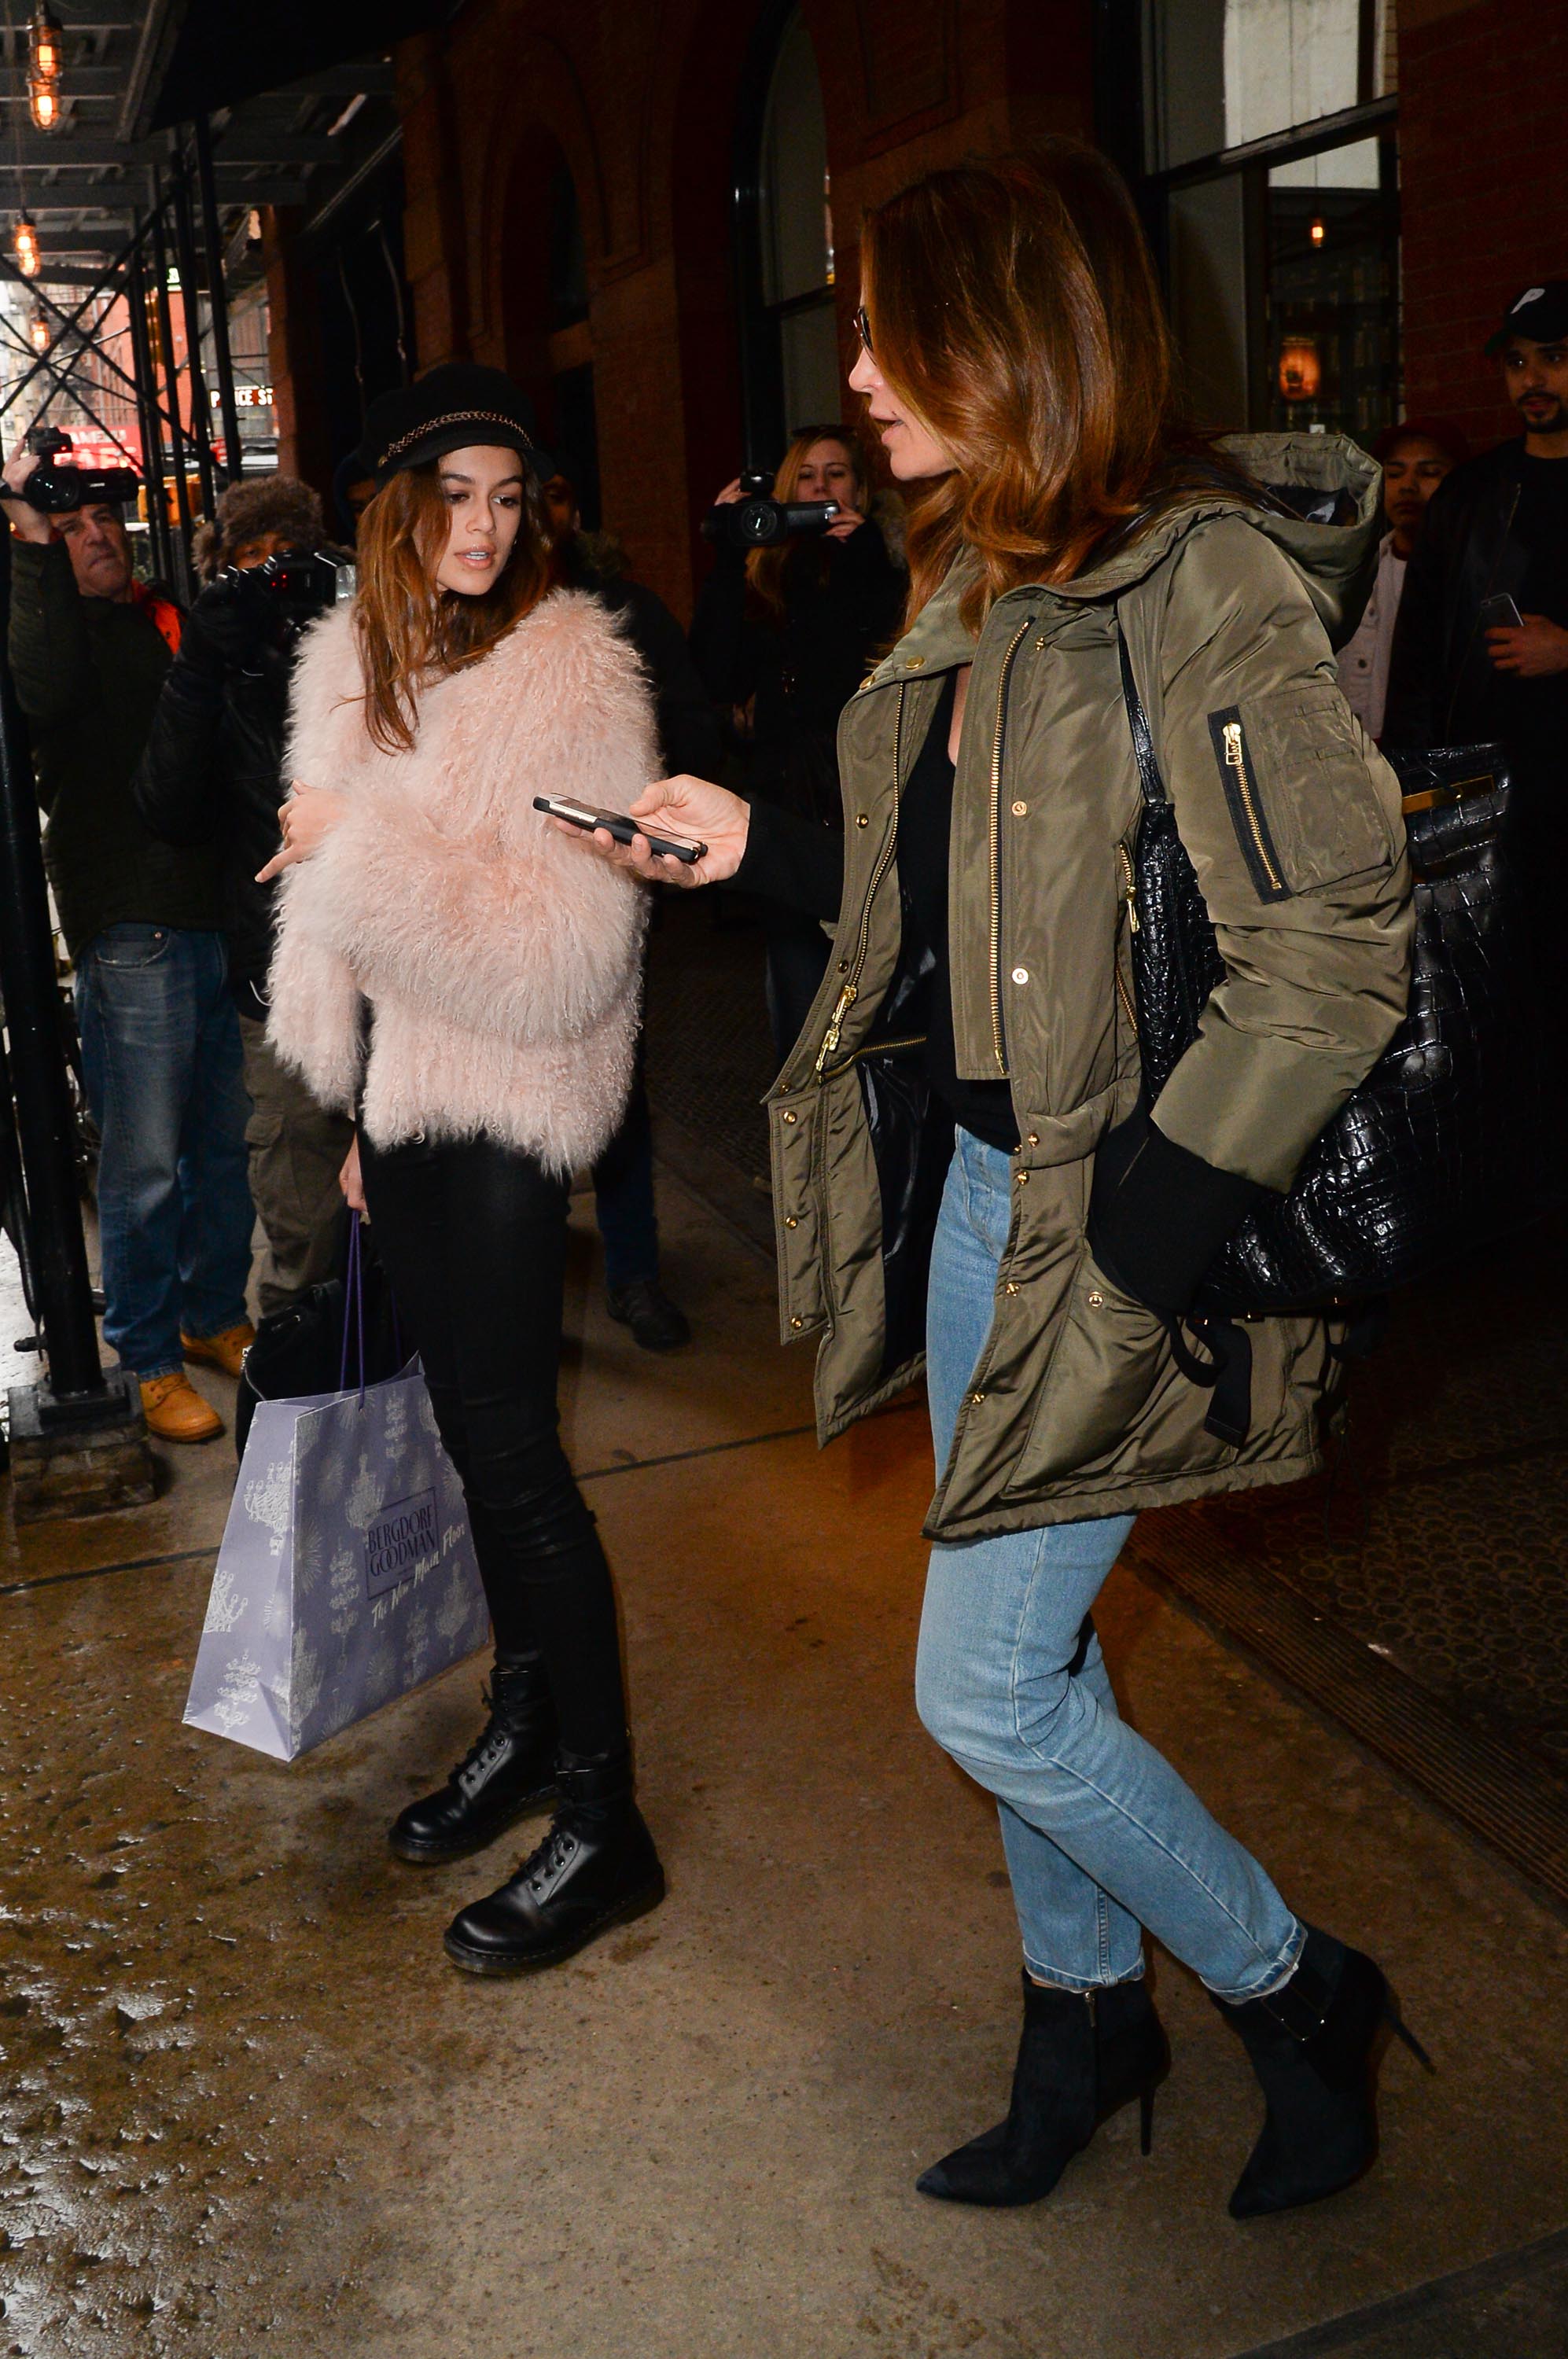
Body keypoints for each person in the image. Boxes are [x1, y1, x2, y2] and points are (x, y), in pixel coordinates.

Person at [561, 149, 1419, 2218]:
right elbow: (951, 904)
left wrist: (1145, 1228)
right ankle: (1080, 2016)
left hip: (1114, 1223)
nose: (853, 370)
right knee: (1035, 1666)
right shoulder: (977, 575)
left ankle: (1292, 1985)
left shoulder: (1197, 579)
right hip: (966, 1196)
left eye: (887, 331)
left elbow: (1337, 938)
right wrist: (746, 845)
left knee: (980, 1686)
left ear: (1009, 345)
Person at [261, 362, 664, 1974]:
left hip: (513, 1097)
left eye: (508, 497)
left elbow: (564, 955)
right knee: (467, 1438)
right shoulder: (358, 666)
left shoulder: (575, 680)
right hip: (414, 1112)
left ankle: (604, 1816)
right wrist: (361, 1115)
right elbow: (355, 944)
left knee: (515, 1463)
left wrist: (354, 849)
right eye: (454, 496)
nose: (484, 526)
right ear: (397, 511)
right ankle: (519, 1722)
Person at [3, 448, 254, 1444]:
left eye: (104, 519)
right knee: (144, 1164)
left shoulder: (163, 618)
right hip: (132, 924)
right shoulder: (54, 636)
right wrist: (30, 539)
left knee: (221, 1147)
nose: (97, 533)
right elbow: (44, 696)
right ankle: (145, 1355)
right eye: (73, 527)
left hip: (213, 914)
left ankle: (211, 1314)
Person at [134, 475, 355, 1320]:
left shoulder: (376, 638)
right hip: (281, 974)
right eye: (246, 563)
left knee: (423, 1207)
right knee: (303, 1210)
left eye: (285, 558)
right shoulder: (212, 666)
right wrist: (203, 665)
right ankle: (304, 1405)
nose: (269, 579)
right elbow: (166, 809)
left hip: (402, 967)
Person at [544, 459, 723, 1350]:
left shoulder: (626, 612)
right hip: (499, 896)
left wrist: (636, 785)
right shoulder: (462, 620)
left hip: (609, 885)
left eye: (548, 495)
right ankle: (529, 1279)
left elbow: (693, 728)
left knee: (618, 1086)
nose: (528, 519)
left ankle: (632, 1272)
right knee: (515, 1094)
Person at [689, 424, 905, 1057]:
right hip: (786, 812)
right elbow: (714, 674)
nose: (820, 488)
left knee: (881, 999)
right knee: (800, 995)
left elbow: (864, 665)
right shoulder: (766, 580)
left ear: (861, 488)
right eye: (806, 478)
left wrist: (861, 559)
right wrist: (729, 554)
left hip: (868, 806)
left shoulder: (891, 566)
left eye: (835, 474)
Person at [1385, 282, 1568, 790]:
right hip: (1490, 784)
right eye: (1515, 363)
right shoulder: (1469, 493)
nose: (1531, 380)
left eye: (1552, 357)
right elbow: (1417, 653)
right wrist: (1415, 780)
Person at [1336, 419, 1468, 738]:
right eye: (1394, 474)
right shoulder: (1357, 566)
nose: (1407, 486)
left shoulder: (1466, 576)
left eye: (1428, 473)